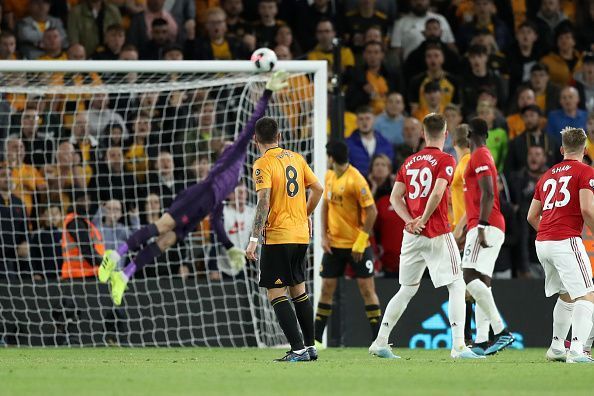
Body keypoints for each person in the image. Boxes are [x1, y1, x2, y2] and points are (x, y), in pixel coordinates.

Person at [99, 71, 289, 306]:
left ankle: (123, 275)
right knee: (162, 226)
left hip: (205, 205)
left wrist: (229, 247)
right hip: (199, 194)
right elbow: (252, 125)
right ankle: (115, 254)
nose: (232, 141)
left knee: (167, 240)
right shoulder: (233, 155)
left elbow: (217, 218)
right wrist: (267, 93)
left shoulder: (236, 174)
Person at [369, 113, 481, 360]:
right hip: (436, 232)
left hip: (411, 235)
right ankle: (459, 346)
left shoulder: (409, 162)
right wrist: (423, 218)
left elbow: (396, 197)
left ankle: (380, 341)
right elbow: (439, 191)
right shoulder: (446, 159)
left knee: (406, 289)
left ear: (422, 133)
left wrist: (409, 220)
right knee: (456, 284)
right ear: (446, 134)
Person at [245, 113, 324, 362]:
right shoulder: (297, 158)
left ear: (255, 139)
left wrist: (254, 239)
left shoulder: (262, 163)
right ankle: (310, 347)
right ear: (279, 136)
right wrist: (305, 214)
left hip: (278, 236)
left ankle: (298, 349)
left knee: (276, 293)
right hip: (301, 235)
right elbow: (319, 189)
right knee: (299, 290)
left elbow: (264, 200)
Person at [527, 127, 594, 363]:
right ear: (585, 150)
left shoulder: (546, 175)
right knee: (587, 295)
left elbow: (531, 216)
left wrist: (549, 233)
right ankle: (576, 351)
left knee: (566, 294)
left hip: (543, 242)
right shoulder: (586, 172)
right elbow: (587, 209)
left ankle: (557, 347)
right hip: (565, 241)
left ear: (562, 149)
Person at [456, 118, 515, 356]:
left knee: (468, 275)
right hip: (489, 223)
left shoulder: (479, 155)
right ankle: (481, 341)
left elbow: (490, 191)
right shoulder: (485, 154)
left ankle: (501, 331)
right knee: (483, 281)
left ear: (469, 134)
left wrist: (480, 225)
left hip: (485, 223)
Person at [314, 140, 380, 345]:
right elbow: (325, 205)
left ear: (332, 157)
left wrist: (361, 241)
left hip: (356, 246)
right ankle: (315, 340)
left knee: (367, 290)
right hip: (334, 245)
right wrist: (324, 235)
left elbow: (372, 211)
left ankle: (379, 340)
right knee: (326, 288)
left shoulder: (356, 180)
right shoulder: (329, 176)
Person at [61, 190, 105, 279]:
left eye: (88, 199)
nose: (87, 203)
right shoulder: (75, 221)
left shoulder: (83, 221)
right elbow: (86, 249)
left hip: (86, 272)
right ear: (74, 202)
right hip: (80, 274)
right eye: (82, 200)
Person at [346, 106, 394, 176]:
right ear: (356, 121)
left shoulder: (386, 144)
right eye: (361, 119)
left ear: (374, 120)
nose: (364, 122)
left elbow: (389, 168)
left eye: (367, 118)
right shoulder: (347, 144)